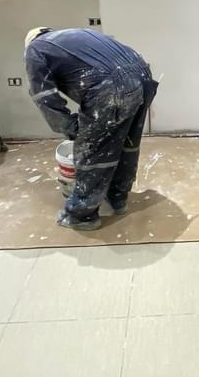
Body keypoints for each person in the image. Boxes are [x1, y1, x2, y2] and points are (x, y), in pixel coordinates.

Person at [24, 27, 158, 231]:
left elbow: (44, 96)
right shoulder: (75, 35)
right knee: (126, 142)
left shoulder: (35, 48)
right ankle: (118, 197)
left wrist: (71, 127)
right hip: (142, 75)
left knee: (93, 152)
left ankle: (82, 215)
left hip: (112, 85)